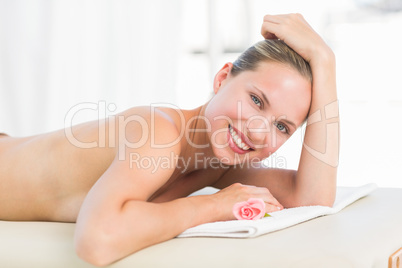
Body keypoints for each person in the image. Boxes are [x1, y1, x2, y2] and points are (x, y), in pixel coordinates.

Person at [0, 13, 339, 266]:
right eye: (256, 100)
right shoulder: (160, 131)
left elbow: (313, 199)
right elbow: (97, 241)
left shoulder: (219, 166)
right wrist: (213, 205)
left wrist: (326, 64)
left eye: (282, 127)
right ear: (222, 78)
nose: (258, 132)